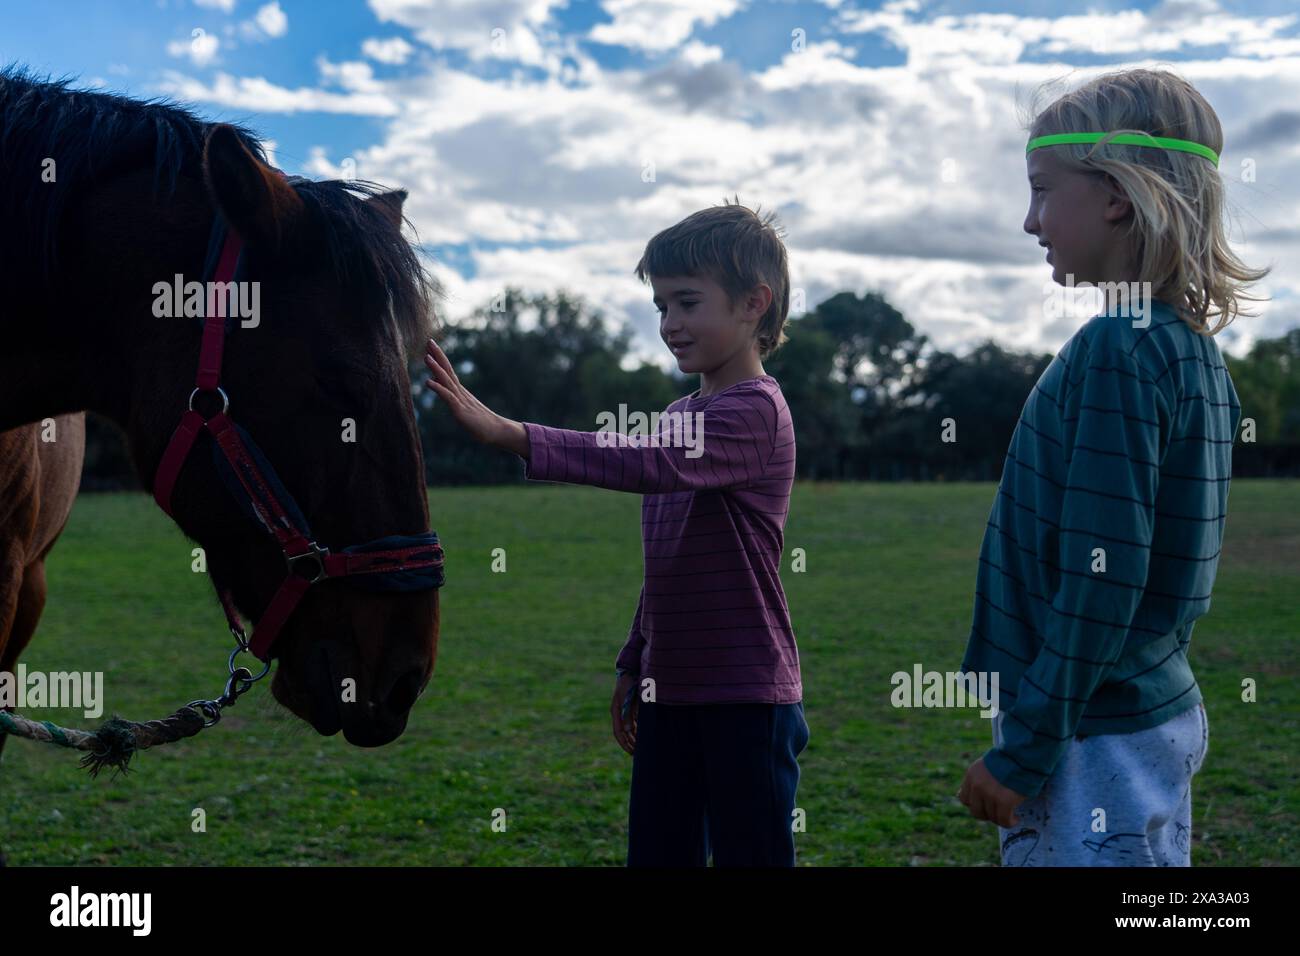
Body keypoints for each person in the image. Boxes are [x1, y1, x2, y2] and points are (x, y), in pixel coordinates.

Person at [424, 199, 807, 866]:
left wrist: (511, 435)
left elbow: (647, 463)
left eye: (688, 303)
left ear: (754, 303)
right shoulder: (682, 410)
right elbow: (670, 561)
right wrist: (637, 659)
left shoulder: (754, 410)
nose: (670, 324)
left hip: (744, 696)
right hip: (672, 688)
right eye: (661, 306)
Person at [958, 68, 1270, 866]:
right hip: (1146, 712)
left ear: (1118, 197)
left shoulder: (1118, 349)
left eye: (1040, 191)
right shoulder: (1188, 350)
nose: (1029, 221)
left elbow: (1104, 578)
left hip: (1091, 736)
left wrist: (1023, 749)